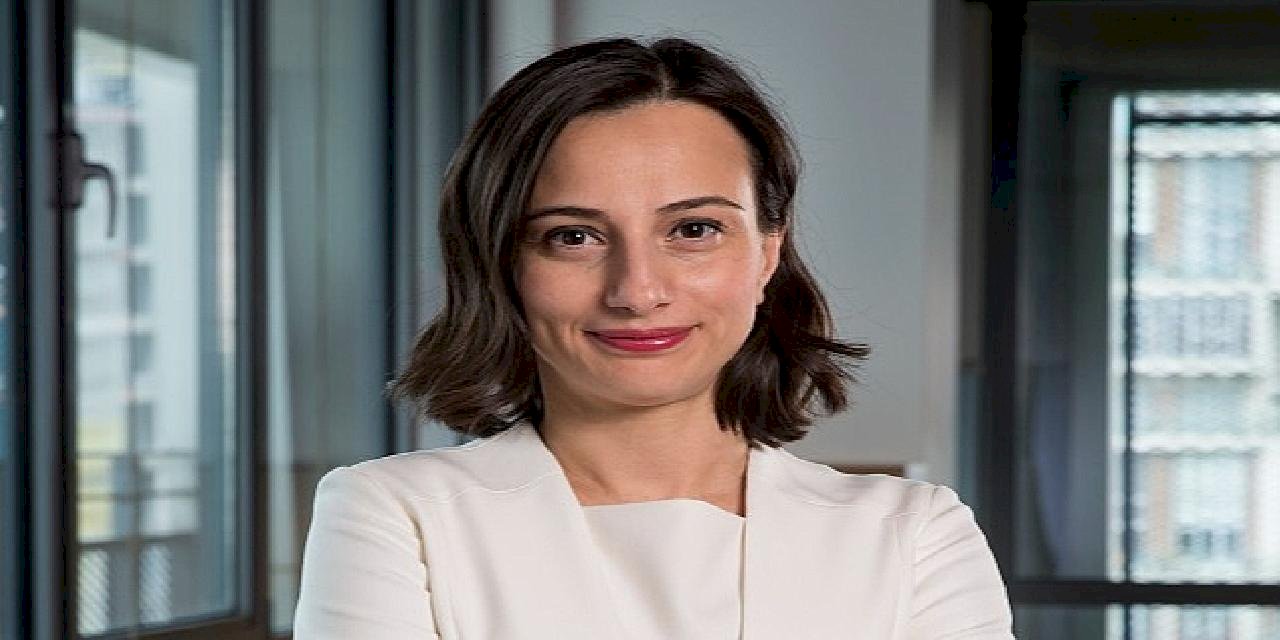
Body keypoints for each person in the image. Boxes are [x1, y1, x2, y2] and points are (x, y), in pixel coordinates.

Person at [293, 37, 1014, 639]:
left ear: (767, 252)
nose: (637, 291)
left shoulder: (914, 536)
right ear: (500, 262)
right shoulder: (397, 518)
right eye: (572, 236)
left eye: (694, 229)